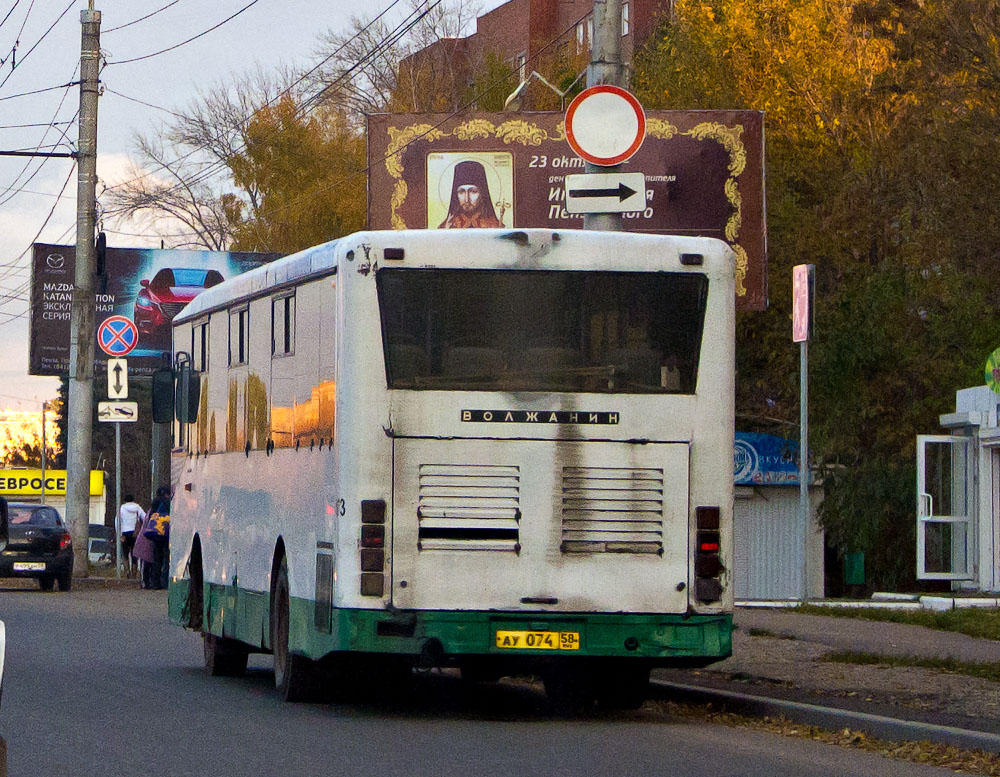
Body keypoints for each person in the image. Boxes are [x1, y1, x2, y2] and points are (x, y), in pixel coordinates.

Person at [438, 161, 502, 229]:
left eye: (473, 192)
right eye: (461, 192)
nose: (466, 199)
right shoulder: (447, 225)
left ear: (482, 194)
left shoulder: (494, 225)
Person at [145, 486, 171, 591]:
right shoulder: (169, 503)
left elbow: (151, 516)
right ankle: (165, 581)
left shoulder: (155, 502)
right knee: (166, 558)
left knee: (157, 559)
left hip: (155, 533)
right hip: (166, 533)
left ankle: (155, 582)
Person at [116, 494, 146, 579]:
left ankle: (127, 571)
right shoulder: (138, 508)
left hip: (125, 533)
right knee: (134, 554)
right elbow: (144, 517)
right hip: (135, 534)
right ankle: (134, 573)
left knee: (125, 553)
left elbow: (117, 521)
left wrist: (120, 534)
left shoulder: (122, 508)